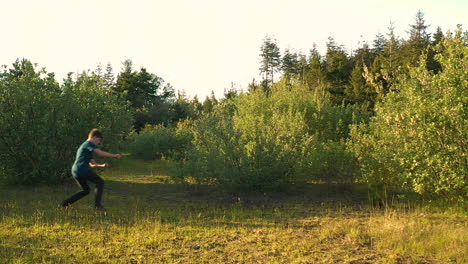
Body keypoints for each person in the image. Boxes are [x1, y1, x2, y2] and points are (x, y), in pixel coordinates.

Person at [61, 129, 121, 211]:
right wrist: (114, 155)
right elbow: (100, 153)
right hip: (81, 169)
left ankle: (65, 203)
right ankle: (98, 206)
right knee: (100, 182)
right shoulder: (88, 143)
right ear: (94, 137)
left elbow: (92, 164)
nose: (98, 143)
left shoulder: (86, 148)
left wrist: (101, 165)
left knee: (86, 191)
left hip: (76, 170)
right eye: (99, 140)